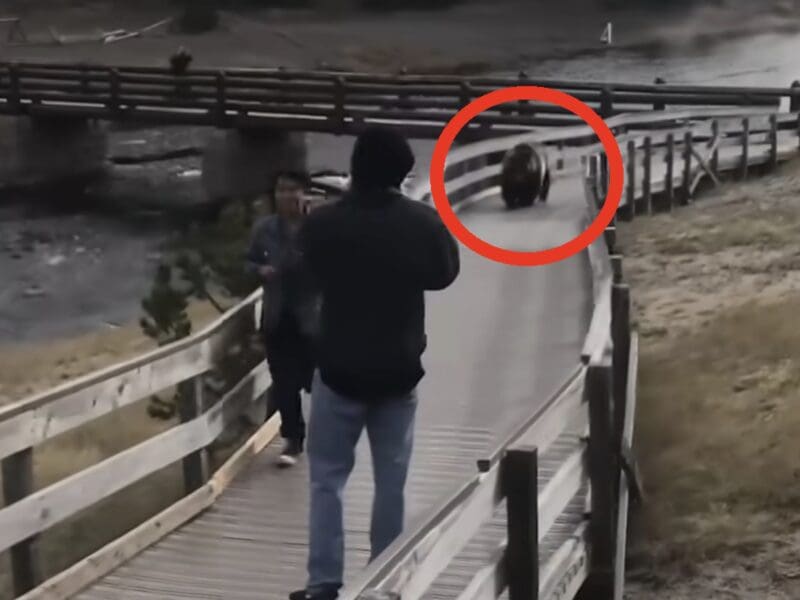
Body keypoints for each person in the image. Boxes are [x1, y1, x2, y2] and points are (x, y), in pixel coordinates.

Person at [289, 127, 461, 600]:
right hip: (397, 370)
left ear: (356, 169)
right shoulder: (421, 223)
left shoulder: (324, 224)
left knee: (327, 479)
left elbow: (303, 272)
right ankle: (384, 582)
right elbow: (445, 273)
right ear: (402, 172)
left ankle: (324, 583)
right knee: (392, 481)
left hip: (339, 369)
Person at [246, 170, 318, 468]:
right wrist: (260, 270)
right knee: (284, 383)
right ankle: (293, 439)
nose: (285, 196)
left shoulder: (316, 226)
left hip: (311, 316)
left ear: (304, 193)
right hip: (277, 316)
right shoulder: (264, 229)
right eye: (280, 190)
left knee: (318, 381)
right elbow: (249, 260)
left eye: (292, 190)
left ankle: (328, 435)